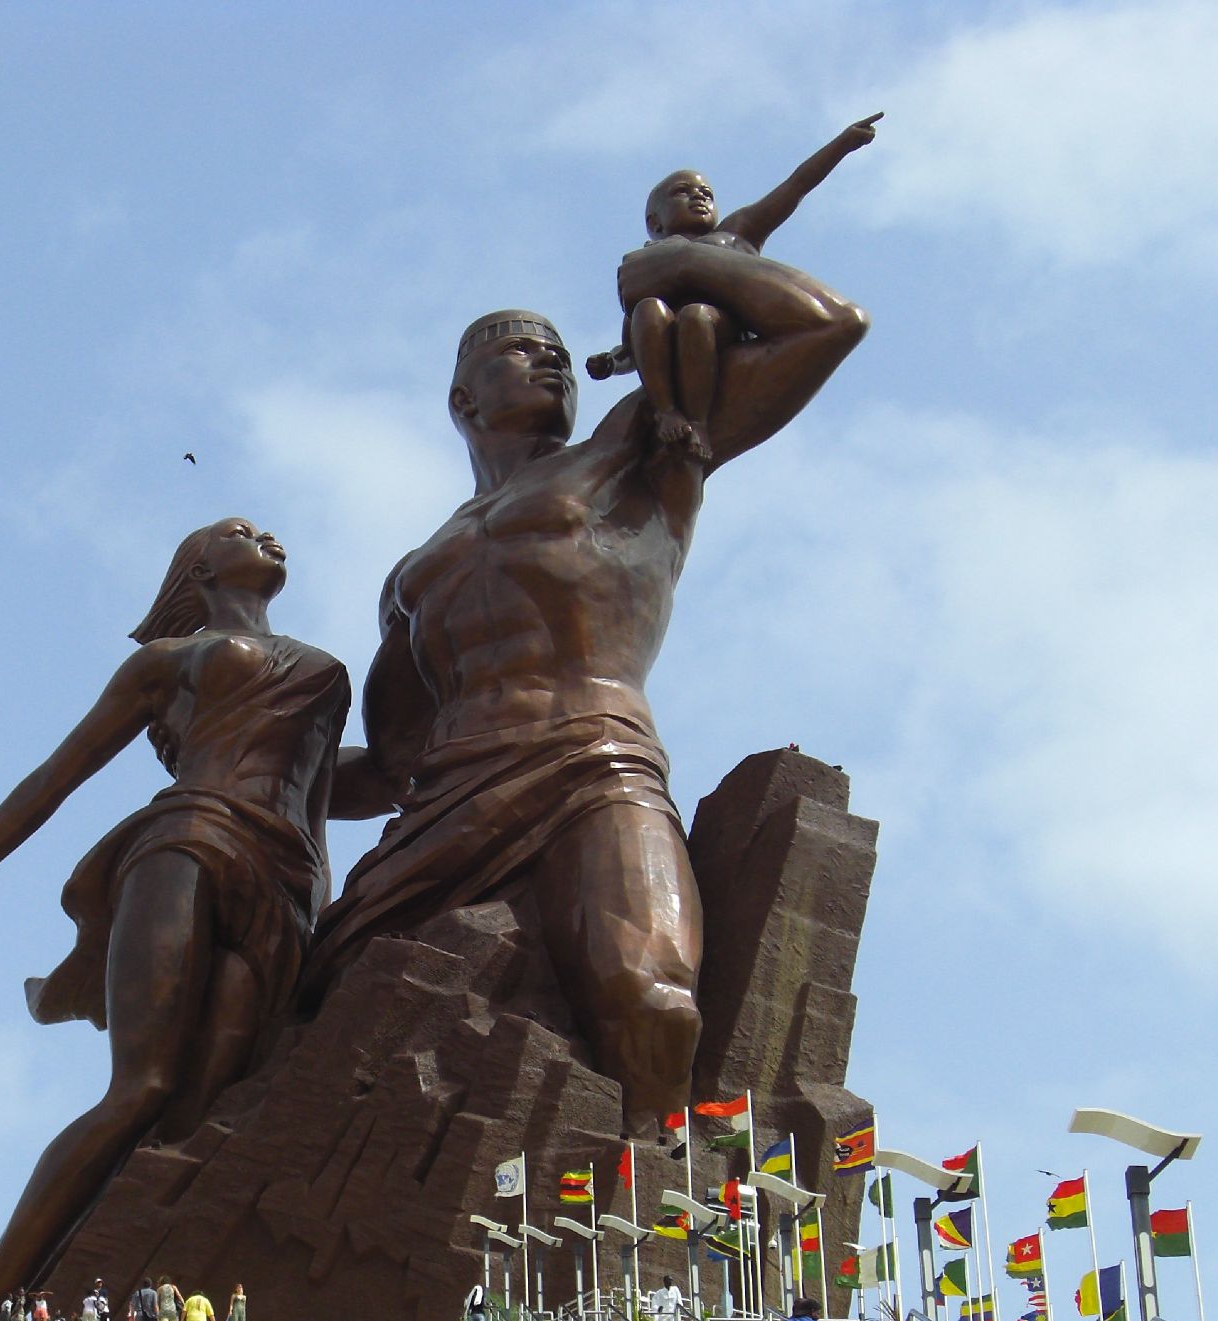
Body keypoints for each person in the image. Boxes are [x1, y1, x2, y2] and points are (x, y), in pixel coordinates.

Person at [307, 229, 871, 1129]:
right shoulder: (415, 573)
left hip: (595, 764)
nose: (553, 364)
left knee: (653, 1003)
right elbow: (386, 766)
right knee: (317, 1023)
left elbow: (826, 327)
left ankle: (646, 1234)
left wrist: (676, 269)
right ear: (462, 396)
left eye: (562, 354)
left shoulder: (642, 450)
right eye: (521, 351)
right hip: (446, 805)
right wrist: (230, 770)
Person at [0, 519, 353, 1300]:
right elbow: (53, 779)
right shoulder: (165, 662)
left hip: (286, 886)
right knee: (144, 1087)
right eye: (239, 530)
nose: (265, 533)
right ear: (196, 569)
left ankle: (120, 1291)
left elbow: (324, 799)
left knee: (199, 1113)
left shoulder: (325, 670)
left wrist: (315, 922)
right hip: (189, 839)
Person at [583, 114, 883, 462]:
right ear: (654, 221)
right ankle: (667, 412)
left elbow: (793, 188)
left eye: (706, 193)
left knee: (697, 316)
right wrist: (610, 362)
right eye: (683, 192)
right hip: (669, 347)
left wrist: (841, 145)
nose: (699, 197)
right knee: (650, 308)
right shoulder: (646, 264)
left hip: (720, 331)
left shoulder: (733, 233)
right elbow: (633, 344)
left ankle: (698, 423)